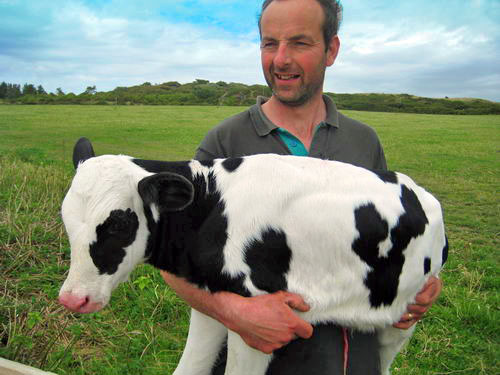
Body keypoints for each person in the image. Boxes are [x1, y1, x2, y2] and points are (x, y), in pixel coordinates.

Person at [161, 0, 443, 373]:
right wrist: (236, 311)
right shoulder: (225, 143)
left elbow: (385, 240)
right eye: (269, 43)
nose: (280, 59)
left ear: (331, 50)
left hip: (351, 362)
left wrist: (421, 284)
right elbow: (173, 257)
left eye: (299, 43)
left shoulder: (363, 142)